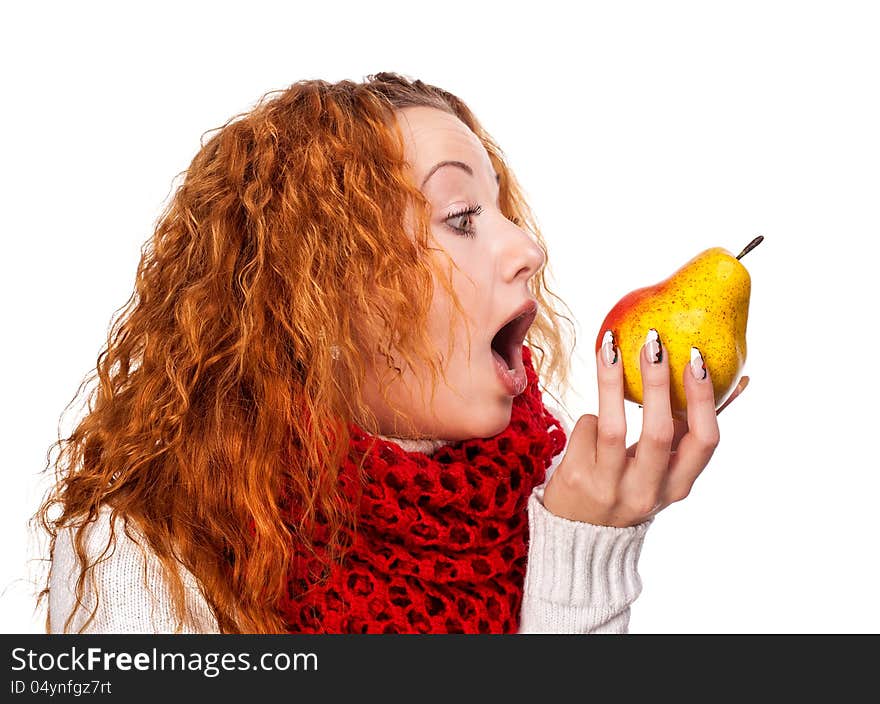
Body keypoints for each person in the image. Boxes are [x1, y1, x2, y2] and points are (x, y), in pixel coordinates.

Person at [34, 72, 746, 634]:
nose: (529, 250)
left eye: (503, 212)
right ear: (324, 288)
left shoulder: (555, 502)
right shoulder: (146, 550)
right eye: (462, 218)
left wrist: (587, 549)